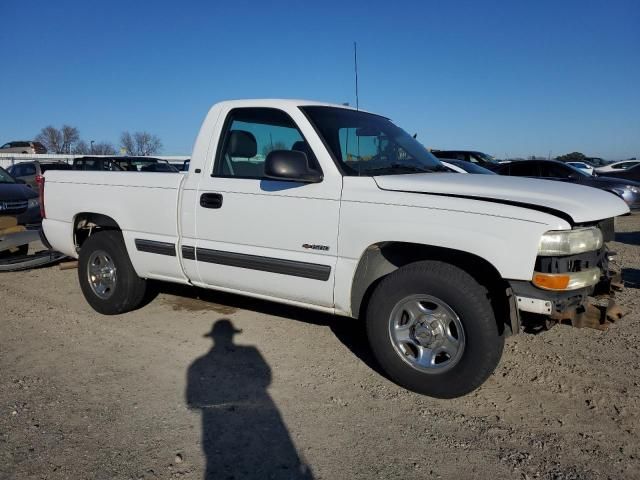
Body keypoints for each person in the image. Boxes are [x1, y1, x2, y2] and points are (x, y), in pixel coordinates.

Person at [186, 319, 313, 479]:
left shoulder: (197, 364)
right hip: (257, 417)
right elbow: (267, 379)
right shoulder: (250, 351)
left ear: (212, 337)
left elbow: (191, 401)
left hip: (215, 428)